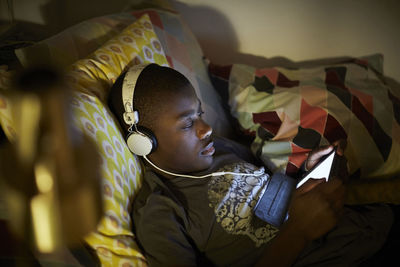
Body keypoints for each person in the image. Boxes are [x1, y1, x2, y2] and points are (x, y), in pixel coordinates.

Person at [108, 63, 393, 267]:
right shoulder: (162, 210)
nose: (206, 128)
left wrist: (311, 171)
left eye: (201, 114)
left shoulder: (219, 148)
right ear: (143, 142)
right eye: (187, 123)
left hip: (367, 228)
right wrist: (298, 233)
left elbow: (273, 194)